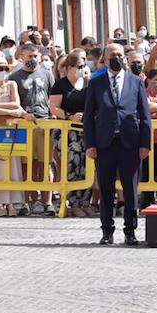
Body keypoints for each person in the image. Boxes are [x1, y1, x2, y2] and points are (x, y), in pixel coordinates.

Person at [83, 42, 152, 246]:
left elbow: (145, 115)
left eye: (121, 55)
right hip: (104, 144)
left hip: (129, 142)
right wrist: (90, 144)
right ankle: (107, 231)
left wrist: (145, 144)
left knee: (130, 190)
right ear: (105, 59)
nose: (118, 58)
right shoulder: (96, 83)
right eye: (113, 55)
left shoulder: (135, 81)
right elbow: (88, 117)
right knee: (105, 189)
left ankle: (130, 231)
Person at [0, 55, 30, 218]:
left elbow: (17, 103)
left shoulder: (11, 84)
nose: (3, 71)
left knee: (12, 164)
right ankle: (0, 203)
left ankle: (12, 203)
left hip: (10, 128)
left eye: (5, 69)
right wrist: (8, 110)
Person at [10, 41, 54, 215]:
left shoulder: (46, 74)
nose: (33, 59)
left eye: (36, 56)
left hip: (45, 124)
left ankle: (48, 202)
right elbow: (14, 102)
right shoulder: (14, 77)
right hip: (24, 126)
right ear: (21, 57)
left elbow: (52, 96)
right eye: (30, 56)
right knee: (28, 165)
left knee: (45, 164)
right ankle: (31, 199)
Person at [50, 51, 93, 217]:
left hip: (87, 130)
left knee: (88, 165)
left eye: (84, 66)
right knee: (73, 164)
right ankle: (73, 202)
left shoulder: (89, 83)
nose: (82, 70)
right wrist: (70, 116)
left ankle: (85, 201)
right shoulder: (60, 85)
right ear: (69, 68)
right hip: (68, 132)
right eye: (79, 67)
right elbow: (54, 107)